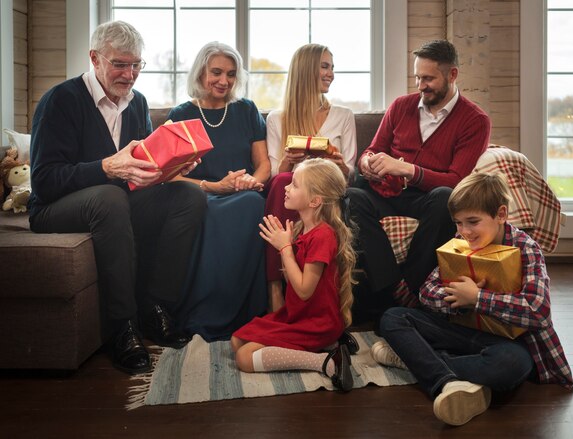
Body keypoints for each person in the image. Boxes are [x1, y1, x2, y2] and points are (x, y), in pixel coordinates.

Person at [28, 21, 206, 374]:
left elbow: (141, 169)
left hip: (116, 201)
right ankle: (122, 327)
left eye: (136, 65)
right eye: (120, 64)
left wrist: (170, 169)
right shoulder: (60, 101)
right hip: (53, 208)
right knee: (110, 197)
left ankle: (155, 308)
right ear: (95, 58)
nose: (130, 74)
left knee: (189, 197)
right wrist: (107, 167)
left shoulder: (137, 102)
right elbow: (45, 182)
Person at [371, 172, 573, 426]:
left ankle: (419, 363)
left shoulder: (526, 249)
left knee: (511, 365)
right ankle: (451, 380)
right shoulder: (460, 243)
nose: (465, 231)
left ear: (501, 215)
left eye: (473, 221)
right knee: (393, 317)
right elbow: (427, 291)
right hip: (461, 331)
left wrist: (479, 298)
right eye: (458, 223)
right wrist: (458, 299)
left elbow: (538, 310)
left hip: (506, 344)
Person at [346, 39, 491, 321]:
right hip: (384, 193)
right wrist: (368, 163)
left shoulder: (475, 120)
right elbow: (372, 150)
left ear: (452, 75)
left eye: (428, 78)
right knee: (352, 194)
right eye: (417, 77)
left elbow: (457, 178)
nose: (421, 85)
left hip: (427, 199)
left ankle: (411, 288)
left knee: (445, 198)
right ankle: (396, 289)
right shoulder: (401, 106)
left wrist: (407, 170)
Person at [168, 42, 271, 341]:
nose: (224, 81)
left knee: (252, 203)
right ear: (201, 72)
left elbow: (263, 164)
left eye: (230, 74)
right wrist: (215, 186)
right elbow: (170, 177)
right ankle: (203, 312)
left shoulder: (246, 109)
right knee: (200, 207)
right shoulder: (181, 114)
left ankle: (244, 312)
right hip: (199, 195)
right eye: (216, 72)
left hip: (243, 194)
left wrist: (251, 181)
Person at [231, 159, 357, 391]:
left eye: (295, 184)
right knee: (237, 340)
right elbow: (292, 282)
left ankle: (328, 362)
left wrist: (285, 248)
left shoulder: (323, 236)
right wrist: (285, 246)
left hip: (317, 322)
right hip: (299, 315)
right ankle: (331, 345)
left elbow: (304, 290)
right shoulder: (304, 228)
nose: (286, 188)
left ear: (315, 200)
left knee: (245, 358)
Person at [264, 43, 357, 311]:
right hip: (292, 193)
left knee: (291, 183)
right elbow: (274, 175)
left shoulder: (344, 116)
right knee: (283, 181)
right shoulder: (277, 119)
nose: (331, 74)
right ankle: (275, 286)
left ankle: (309, 293)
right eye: (325, 66)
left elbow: (350, 174)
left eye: (332, 67)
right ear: (306, 71)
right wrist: (286, 162)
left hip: (328, 192)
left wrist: (340, 166)